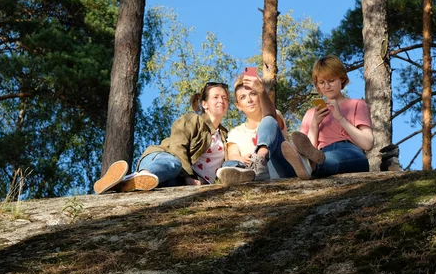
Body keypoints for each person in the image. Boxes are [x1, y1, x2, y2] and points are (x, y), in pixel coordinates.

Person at [93, 81, 242, 194]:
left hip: (178, 178)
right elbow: (178, 147)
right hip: (163, 158)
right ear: (204, 104)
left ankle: (120, 185)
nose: (221, 100)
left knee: (168, 186)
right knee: (173, 163)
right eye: (215, 97)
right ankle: (139, 176)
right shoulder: (192, 120)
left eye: (224, 98)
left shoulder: (225, 135)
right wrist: (188, 176)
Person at [281, 55, 374, 179]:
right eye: (321, 82)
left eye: (331, 80)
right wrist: (314, 125)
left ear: (342, 79)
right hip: (321, 153)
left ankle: (312, 166)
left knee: (332, 158)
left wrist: (340, 118)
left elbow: (367, 144)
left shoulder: (357, 104)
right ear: (317, 85)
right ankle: (311, 165)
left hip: (351, 152)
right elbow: (310, 149)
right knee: (319, 157)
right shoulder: (311, 114)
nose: (327, 86)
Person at [217, 71, 301, 182]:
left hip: (278, 170)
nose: (249, 100)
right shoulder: (235, 132)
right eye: (243, 97)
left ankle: (260, 159)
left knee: (268, 120)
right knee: (228, 164)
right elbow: (233, 154)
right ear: (238, 106)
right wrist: (242, 159)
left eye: (253, 94)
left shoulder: (274, 116)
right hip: (251, 172)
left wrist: (261, 91)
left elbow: (270, 116)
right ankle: (248, 174)